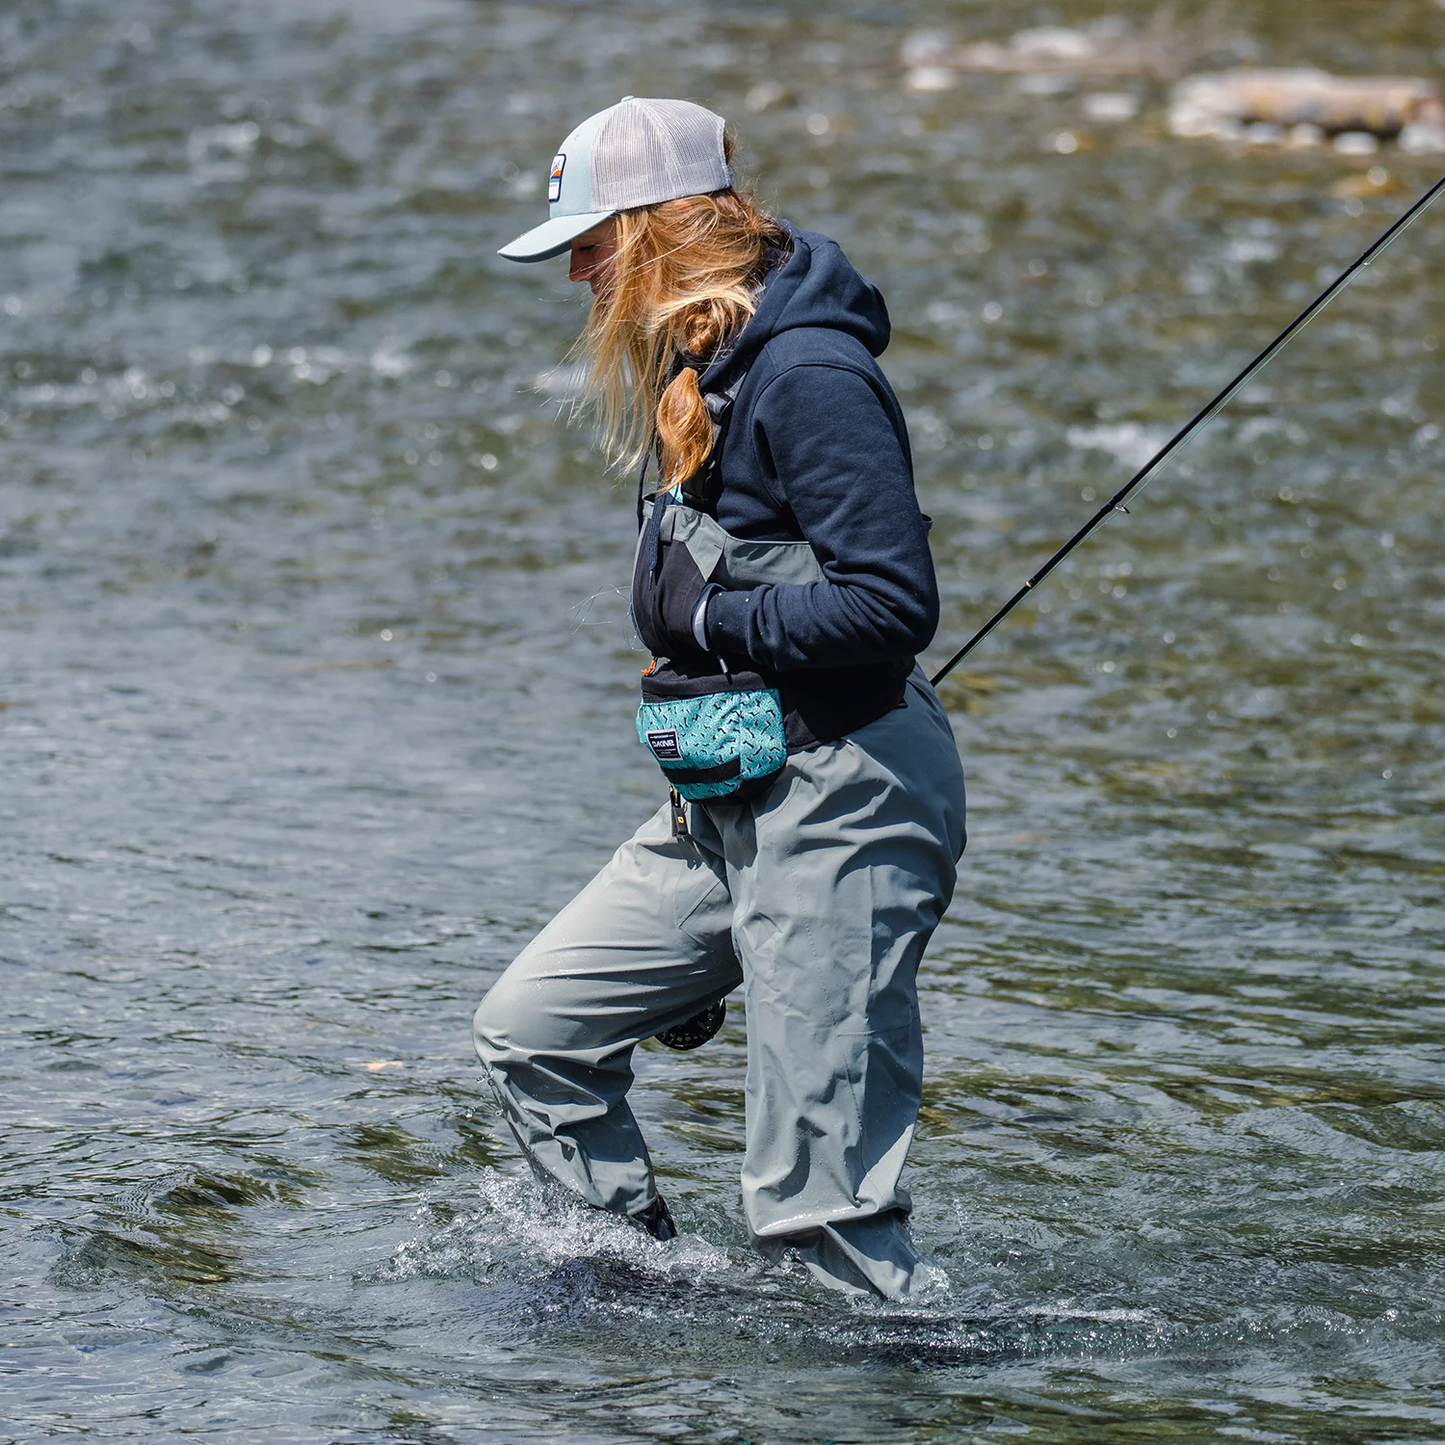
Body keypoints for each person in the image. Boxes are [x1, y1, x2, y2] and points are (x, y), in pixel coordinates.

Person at [475, 96, 966, 1299]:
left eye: (590, 243)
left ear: (658, 229)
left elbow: (890, 606)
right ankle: (638, 1302)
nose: (578, 272)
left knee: (813, 1222)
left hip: (846, 794)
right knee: (536, 1031)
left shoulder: (805, 371)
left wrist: (711, 620)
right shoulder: (704, 363)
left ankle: (884, 1386)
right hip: (728, 798)